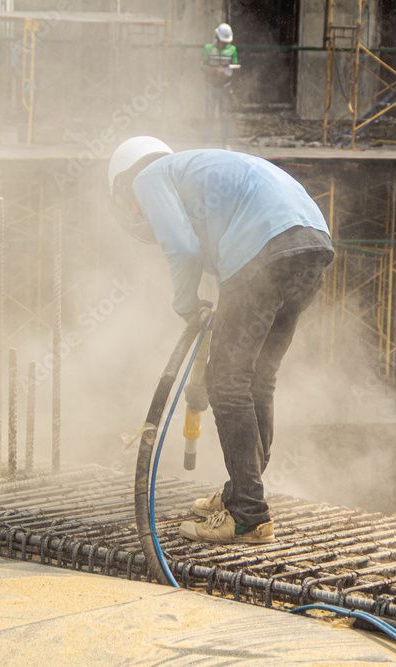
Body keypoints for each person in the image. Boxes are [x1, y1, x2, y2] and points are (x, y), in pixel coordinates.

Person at [108, 137, 334, 545]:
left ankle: (248, 514)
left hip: (267, 248)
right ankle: (241, 495)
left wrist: (184, 303)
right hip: (312, 245)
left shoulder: (149, 177)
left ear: (124, 183)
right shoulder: (198, 177)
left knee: (227, 383)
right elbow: (223, 266)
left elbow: (181, 249)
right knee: (257, 379)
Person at [202, 23, 238, 147]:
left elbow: (235, 66)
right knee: (209, 114)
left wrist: (227, 71)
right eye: (222, 41)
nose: (224, 44)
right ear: (216, 36)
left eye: (226, 42)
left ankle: (225, 142)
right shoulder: (207, 48)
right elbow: (203, 66)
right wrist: (214, 70)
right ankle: (206, 142)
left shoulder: (232, 50)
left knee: (224, 115)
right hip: (211, 87)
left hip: (225, 88)